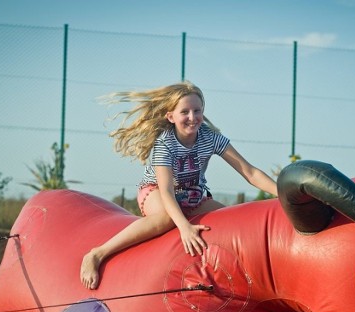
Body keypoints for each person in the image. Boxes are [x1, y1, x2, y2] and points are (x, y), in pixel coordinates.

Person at [80, 81, 278, 289]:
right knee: (166, 219)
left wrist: (281, 194)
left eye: (197, 111)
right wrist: (184, 227)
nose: (192, 117)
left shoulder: (211, 138)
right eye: (185, 112)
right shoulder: (165, 144)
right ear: (170, 116)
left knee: (231, 220)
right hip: (156, 192)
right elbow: (166, 191)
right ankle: (97, 253)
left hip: (193, 197)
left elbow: (250, 172)